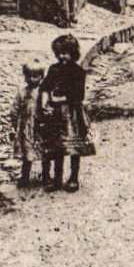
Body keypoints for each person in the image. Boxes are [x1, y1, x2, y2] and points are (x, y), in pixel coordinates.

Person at [40, 32, 96, 192]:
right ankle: (57, 178)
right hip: (56, 115)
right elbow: (45, 86)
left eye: (66, 53)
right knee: (58, 147)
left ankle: (73, 178)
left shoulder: (78, 71)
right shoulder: (54, 69)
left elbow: (79, 95)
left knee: (73, 148)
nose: (62, 56)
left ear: (73, 53)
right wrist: (45, 101)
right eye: (59, 53)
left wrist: (62, 98)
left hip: (72, 114)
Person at [10, 57, 49, 188]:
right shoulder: (22, 93)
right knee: (27, 152)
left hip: (41, 126)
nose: (32, 79)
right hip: (26, 126)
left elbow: (49, 106)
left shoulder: (44, 92)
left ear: (41, 77)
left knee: (44, 151)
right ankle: (25, 176)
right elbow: (15, 108)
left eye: (36, 76)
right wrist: (15, 123)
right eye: (29, 76)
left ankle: (46, 175)